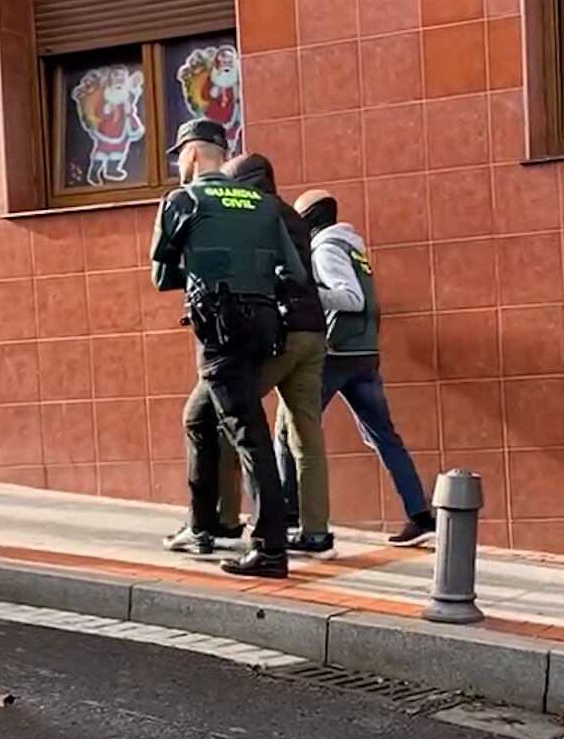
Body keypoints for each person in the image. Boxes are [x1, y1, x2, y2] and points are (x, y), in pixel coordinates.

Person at [151, 118, 309, 578]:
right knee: (201, 416)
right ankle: (202, 526)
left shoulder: (183, 200)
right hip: (263, 325)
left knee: (249, 435)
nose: (178, 163)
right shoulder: (263, 204)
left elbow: (161, 275)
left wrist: (202, 272)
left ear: (194, 154)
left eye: (179, 154)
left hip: (220, 328)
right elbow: (294, 274)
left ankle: (270, 550)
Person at [197, 152, 336, 560]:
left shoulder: (252, 213)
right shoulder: (292, 214)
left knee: (229, 414)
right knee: (306, 434)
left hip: (281, 332)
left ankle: (227, 519)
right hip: (313, 331)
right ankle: (316, 532)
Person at [280, 189, 436, 547]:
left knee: (290, 429)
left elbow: (351, 298)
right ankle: (420, 516)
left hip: (336, 354)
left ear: (310, 220)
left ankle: (288, 515)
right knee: (382, 436)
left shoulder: (326, 248)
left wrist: (304, 295)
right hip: (363, 354)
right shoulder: (353, 246)